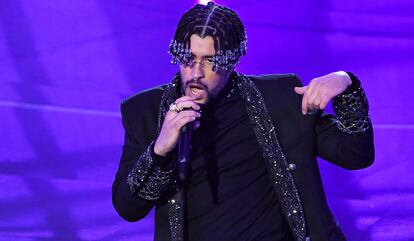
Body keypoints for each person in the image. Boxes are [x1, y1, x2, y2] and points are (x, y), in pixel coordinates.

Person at [112, 2, 374, 241]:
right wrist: (159, 151)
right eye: (188, 59)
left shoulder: (280, 98)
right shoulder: (145, 111)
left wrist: (347, 85)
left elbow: (355, 155)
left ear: (231, 60)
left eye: (210, 61)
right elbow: (129, 208)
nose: (196, 73)